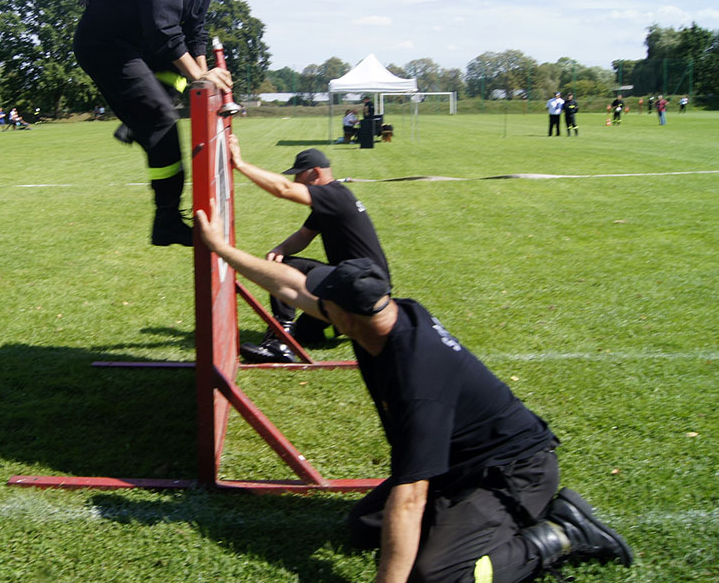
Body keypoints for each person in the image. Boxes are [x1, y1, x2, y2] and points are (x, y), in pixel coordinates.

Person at [194, 214, 634, 583]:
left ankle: (561, 533)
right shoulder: (388, 313)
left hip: (512, 471)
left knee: (436, 576)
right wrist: (221, 248)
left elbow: (409, 499)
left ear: (344, 318)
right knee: (365, 525)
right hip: (458, 462)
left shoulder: (417, 381)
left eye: (324, 302)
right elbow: (292, 287)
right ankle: (472, 522)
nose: (314, 303)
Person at [73, 0, 236, 247]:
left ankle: (135, 124)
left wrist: (204, 77)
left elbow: (194, 31)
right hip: (105, 46)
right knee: (163, 120)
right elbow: (164, 31)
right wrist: (197, 76)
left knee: (182, 84)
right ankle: (166, 221)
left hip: (141, 47)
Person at [228, 139, 389, 363]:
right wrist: (282, 247)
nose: (295, 181)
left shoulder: (332, 195)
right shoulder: (332, 199)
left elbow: (283, 189)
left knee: (283, 267)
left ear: (314, 173)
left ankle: (279, 343)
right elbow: (304, 235)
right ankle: (349, 326)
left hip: (362, 285)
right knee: (305, 332)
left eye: (298, 176)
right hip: (367, 286)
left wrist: (241, 164)